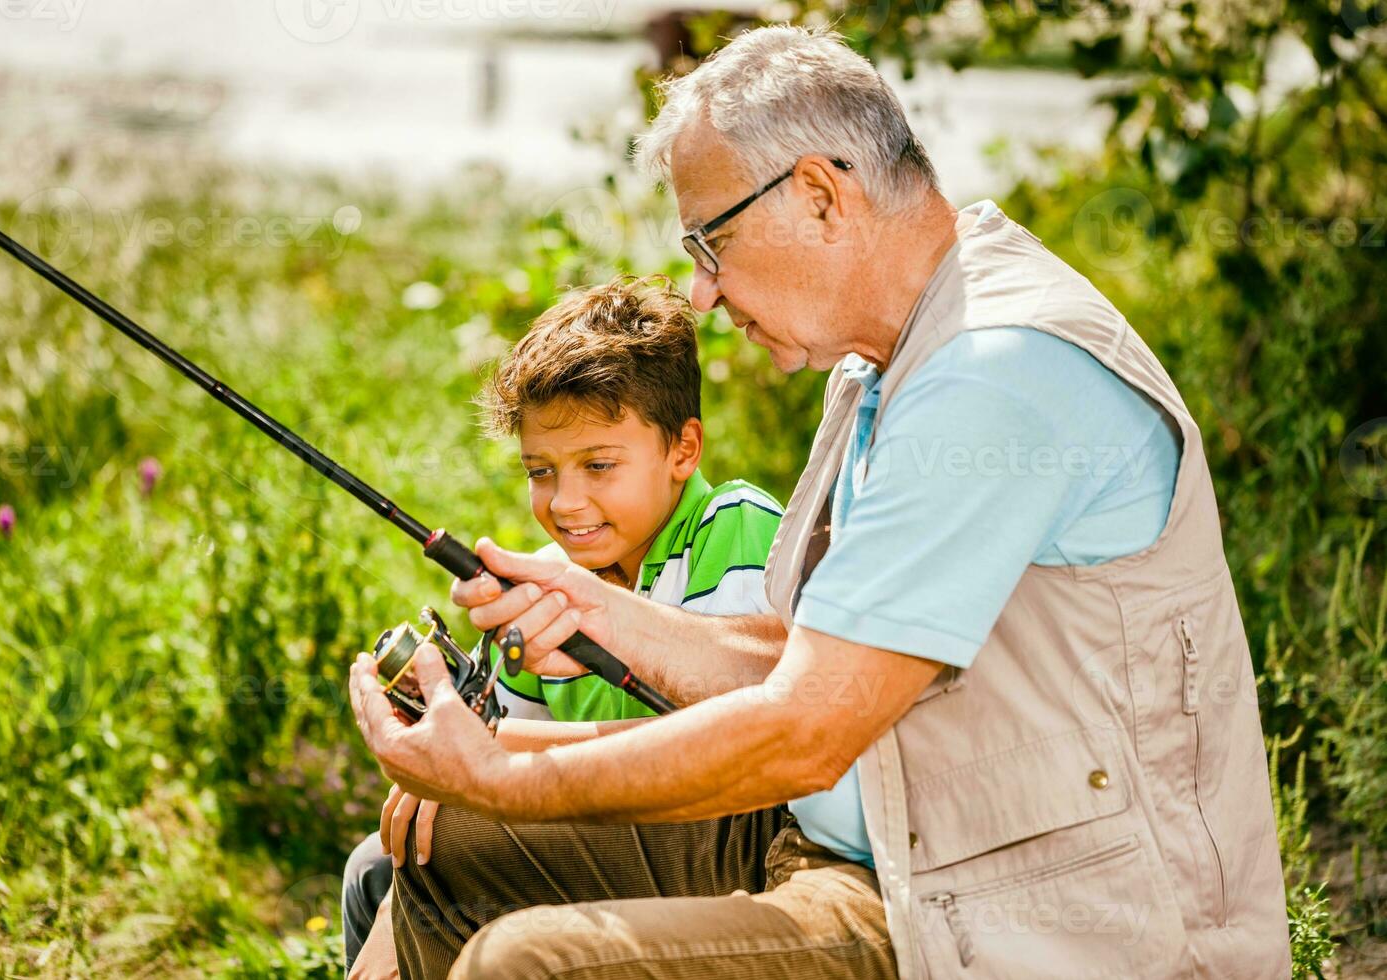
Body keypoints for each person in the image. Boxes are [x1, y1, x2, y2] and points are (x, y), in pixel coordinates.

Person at [350, 25, 1291, 980]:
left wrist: (509, 773)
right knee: (448, 849)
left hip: (1003, 915)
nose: (703, 293)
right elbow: (815, 659)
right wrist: (604, 614)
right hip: (868, 836)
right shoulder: (887, 363)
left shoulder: (994, 374)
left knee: (528, 965)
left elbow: (807, 728)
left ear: (819, 195)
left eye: (711, 241)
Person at [340, 275, 788, 977]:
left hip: (727, 830)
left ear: (683, 450)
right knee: (382, 860)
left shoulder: (731, 525)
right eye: (539, 471)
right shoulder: (545, 581)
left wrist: (477, 762)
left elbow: (724, 742)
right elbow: (502, 737)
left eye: (598, 465)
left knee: (451, 831)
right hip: (616, 818)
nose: (565, 501)